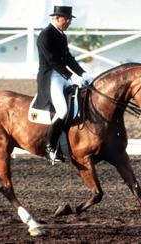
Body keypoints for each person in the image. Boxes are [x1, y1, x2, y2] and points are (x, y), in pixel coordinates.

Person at [35, 5, 93, 162]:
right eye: (66, 20)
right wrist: (72, 77)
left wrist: (83, 73)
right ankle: (50, 147)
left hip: (61, 75)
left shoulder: (61, 36)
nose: (68, 23)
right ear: (57, 18)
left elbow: (68, 58)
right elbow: (53, 62)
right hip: (50, 77)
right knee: (62, 110)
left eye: (69, 20)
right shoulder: (45, 36)